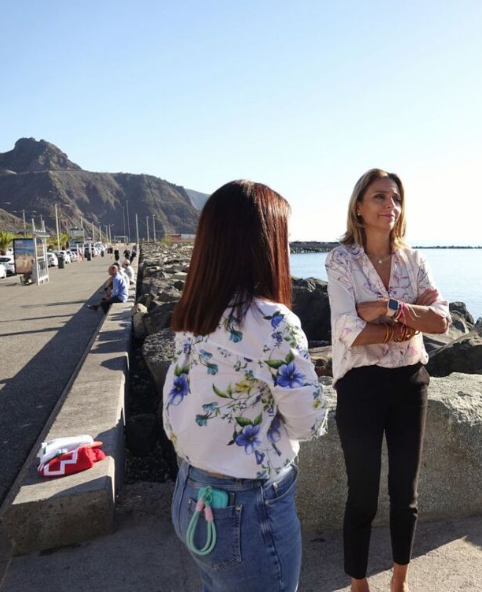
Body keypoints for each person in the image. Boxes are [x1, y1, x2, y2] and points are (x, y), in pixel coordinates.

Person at [163, 180, 328, 592]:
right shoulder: (270, 321)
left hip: (191, 491)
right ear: (264, 245)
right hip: (247, 507)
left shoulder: (194, 314)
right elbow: (308, 423)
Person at [325, 168, 450, 592]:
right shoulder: (340, 259)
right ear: (358, 206)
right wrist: (411, 319)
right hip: (359, 385)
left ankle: (400, 580)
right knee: (362, 492)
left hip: (410, 383)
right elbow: (347, 329)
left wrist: (389, 307)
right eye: (379, 197)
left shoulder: (414, 259)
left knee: (405, 492)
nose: (390, 206)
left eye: (395, 198)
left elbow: (443, 320)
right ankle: (359, 583)